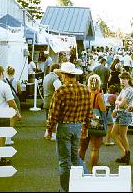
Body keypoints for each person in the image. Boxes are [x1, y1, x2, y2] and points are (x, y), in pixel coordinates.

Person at [45, 62, 90, 192]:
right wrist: (85, 129)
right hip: (78, 126)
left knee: (64, 161)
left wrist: (49, 130)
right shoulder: (85, 89)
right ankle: (85, 181)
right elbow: (88, 112)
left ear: (64, 75)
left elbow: (53, 113)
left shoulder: (61, 90)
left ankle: (65, 189)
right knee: (74, 157)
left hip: (64, 126)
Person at [78, 74, 107, 172]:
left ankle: (79, 168)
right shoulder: (98, 95)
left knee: (82, 148)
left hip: (84, 120)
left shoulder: (84, 93)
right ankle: (92, 170)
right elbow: (103, 110)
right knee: (95, 148)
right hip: (95, 121)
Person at [111, 72, 133, 165]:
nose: (122, 81)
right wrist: (118, 102)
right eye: (121, 79)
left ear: (128, 79)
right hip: (120, 113)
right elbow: (117, 101)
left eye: (124, 79)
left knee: (123, 135)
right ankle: (125, 152)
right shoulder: (124, 89)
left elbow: (120, 103)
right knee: (113, 134)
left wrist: (118, 102)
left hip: (125, 114)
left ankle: (127, 153)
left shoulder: (129, 90)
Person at [4, 66, 22, 145]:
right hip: (14, 99)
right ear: (14, 72)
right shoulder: (17, 81)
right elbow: (19, 91)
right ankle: (8, 138)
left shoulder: (3, 81)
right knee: (13, 118)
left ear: (6, 72)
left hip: (5, 100)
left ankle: (4, 136)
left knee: (5, 119)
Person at [43, 63, 61, 141]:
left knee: (48, 118)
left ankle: (47, 133)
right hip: (53, 101)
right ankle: (53, 135)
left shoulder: (46, 76)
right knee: (54, 119)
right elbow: (59, 91)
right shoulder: (55, 79)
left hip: (46, 100)